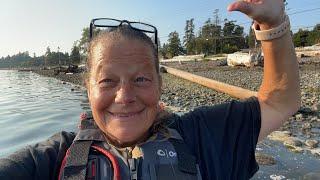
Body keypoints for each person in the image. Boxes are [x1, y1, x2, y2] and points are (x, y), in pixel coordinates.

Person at [0, 0, 300, 179]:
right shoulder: (52, 159)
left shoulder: (204, 136)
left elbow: (280, 101)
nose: (124, 96)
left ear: (159, 85)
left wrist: (272, 24)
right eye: (107, 81)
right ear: (87, 87)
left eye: (141, 79)